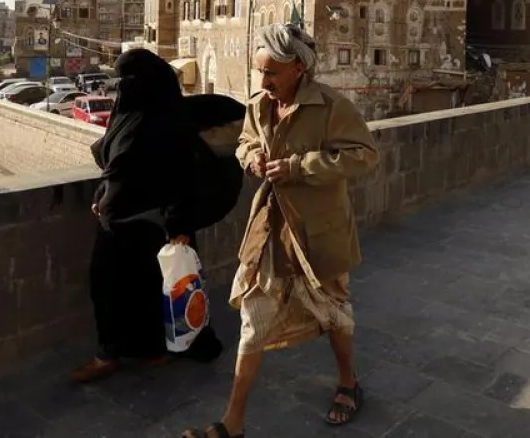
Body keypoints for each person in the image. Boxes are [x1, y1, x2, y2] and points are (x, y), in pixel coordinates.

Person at [180, 23, 379, 438]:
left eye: (272, 73)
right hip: (270, 230)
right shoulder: (258, 106)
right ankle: (233, 422)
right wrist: (251, 157)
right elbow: (244, 142)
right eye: (260, 73)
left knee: (335, 312)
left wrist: (300, 167)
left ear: (298, 70)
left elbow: (363, 156)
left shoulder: (331, 106)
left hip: (318, 234)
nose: (264, 81)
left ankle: (348, 383)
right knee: (253, 320)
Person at [72, 48, 203, 383]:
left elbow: (183, 174)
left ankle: (128, 352)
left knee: (142, 290)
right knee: (110, 288)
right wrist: (102, 195)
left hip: (150, 224)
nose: (125, 86)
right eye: (122, 78)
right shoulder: (127, 111)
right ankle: (114, 351)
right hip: (116, 222)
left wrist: (180, 224)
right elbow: (114, 162)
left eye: (132, 78)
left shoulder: (168, 121)